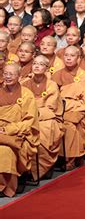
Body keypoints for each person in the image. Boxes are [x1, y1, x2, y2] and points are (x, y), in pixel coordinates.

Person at [52, 46, 85, 170]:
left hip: (79, 109)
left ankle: (70, 158)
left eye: (72, 56)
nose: (69, 58)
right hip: (60, 108)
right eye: (66, 55)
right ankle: (58, 156)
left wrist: (71, 105)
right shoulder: (57, 74)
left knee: (69, 125)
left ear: (78, 58)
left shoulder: (83, 75)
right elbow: (53, 96)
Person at [0, 63, 39, 197]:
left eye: (11, 74)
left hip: (19, 133)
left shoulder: (26, 94)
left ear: (19, 76)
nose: (8, 77)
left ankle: (5, 187)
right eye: (5, 73)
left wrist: (8, 129)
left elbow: (30, 121)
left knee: (5, 151)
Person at [22, 55, 63, 180]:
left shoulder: (52, 85)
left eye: (40, 64)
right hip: (27, 116)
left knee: (44, 131)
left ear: (46, 68)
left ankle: (43, 167)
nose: (37, 66)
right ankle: (25, 169)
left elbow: (51, 107)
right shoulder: (24, 84)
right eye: (34, 63)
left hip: (46, 117)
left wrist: (34, 112)